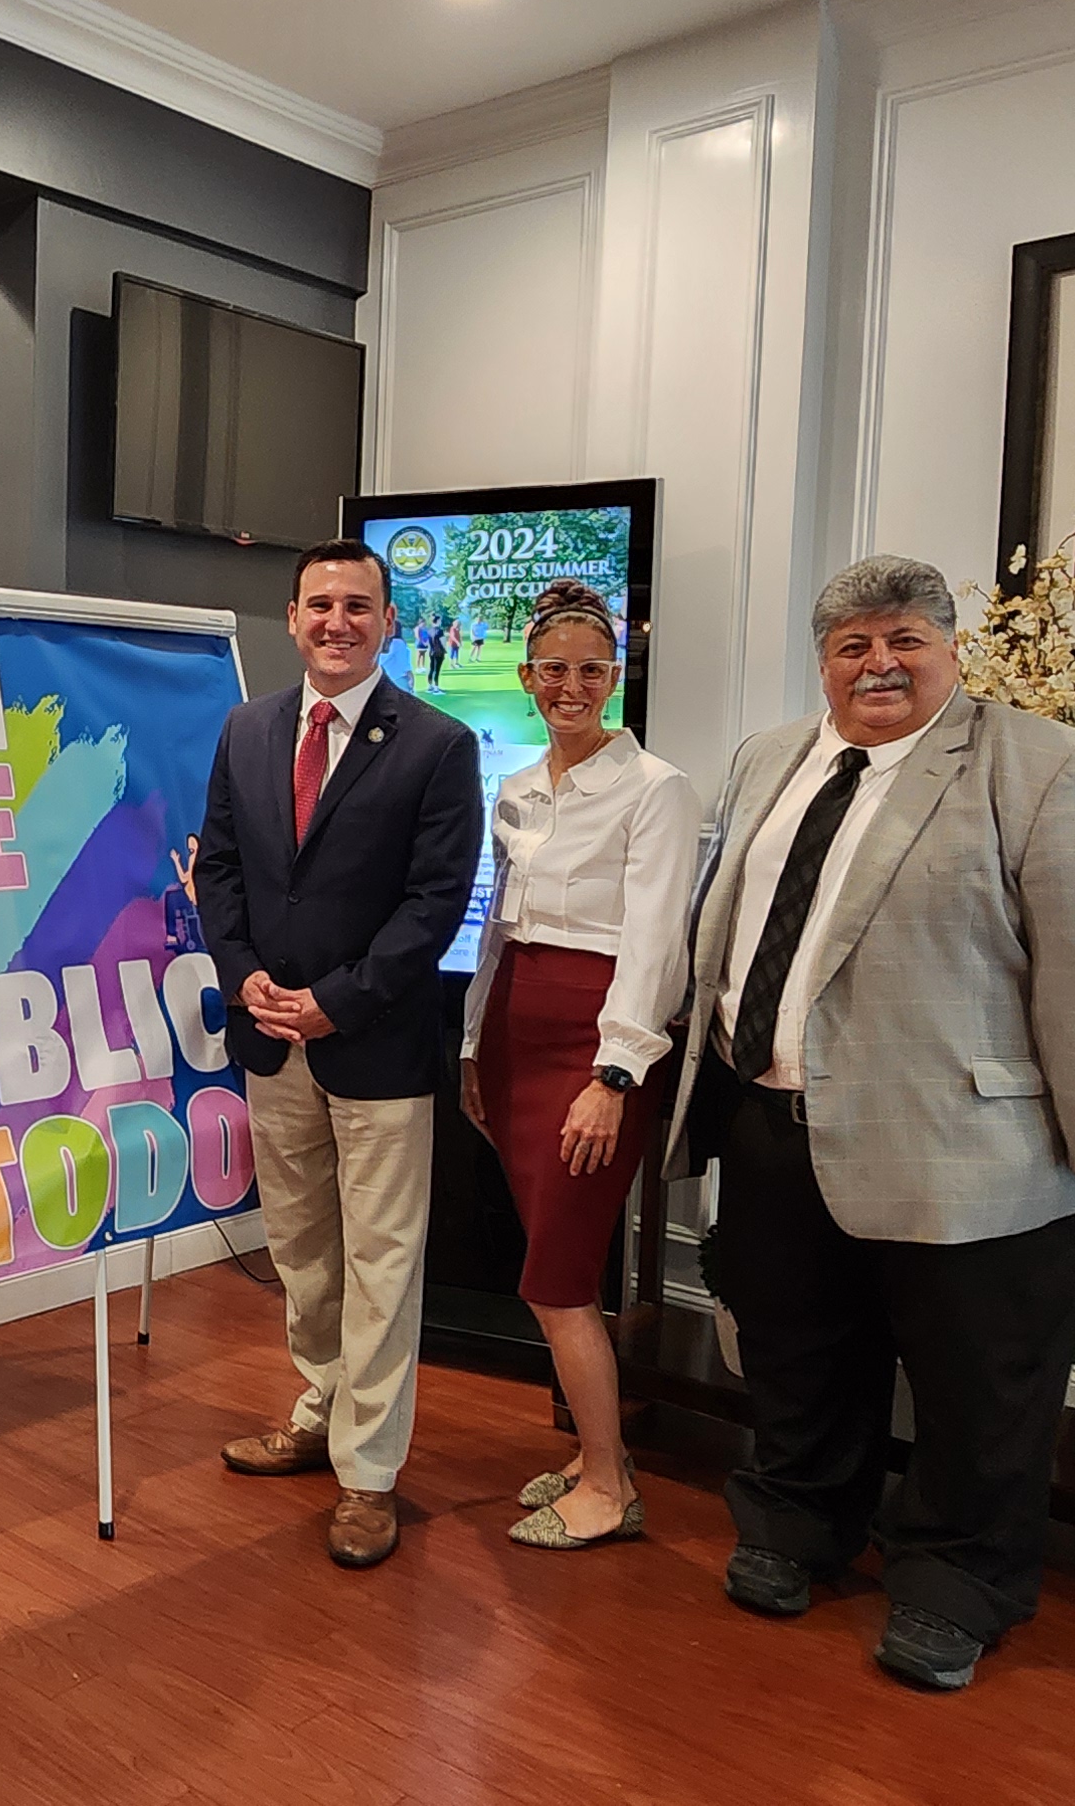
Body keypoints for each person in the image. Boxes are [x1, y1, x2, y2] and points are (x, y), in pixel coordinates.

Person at [666, 555, 1075, 1691]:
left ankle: (957, 1578)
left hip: (970, 1149)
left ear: (952, 649)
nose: (878, 662)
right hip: (772, 1118)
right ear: (824, 662)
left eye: (904, 638)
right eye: (852, 645)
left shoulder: (1048, 769)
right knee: (797, 1350)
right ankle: (797, 1521)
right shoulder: (768, 759)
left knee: (975, 1385)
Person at [195, 538, 481, 1569]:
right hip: (269, 1038)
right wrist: (243, 974)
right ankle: (321, 1405)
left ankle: (368, 1473)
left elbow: (434, 902)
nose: (336, 621)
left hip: (377, 1044)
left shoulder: (437, 743)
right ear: (291, 615)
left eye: (358, 606)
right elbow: (219, 864)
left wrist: (338, 999)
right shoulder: (247, 728)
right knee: (301, 1250)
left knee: (381, 1261)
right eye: (320, 604)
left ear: (389, 623)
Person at [455, 580, 693, 1552]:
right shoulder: (514, 788)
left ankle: (607, 1485)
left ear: (614, 676)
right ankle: (601, 1452)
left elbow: (655, 942)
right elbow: (496, 932)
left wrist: (616, 1072)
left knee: (554, 1276)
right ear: (526, 677)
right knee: (561, 1272)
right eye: (552, 667)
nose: (571, 684)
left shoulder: (656, 788)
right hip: (514, 1031)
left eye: (589, 669)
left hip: (594, 1049)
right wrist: (473, 1044)